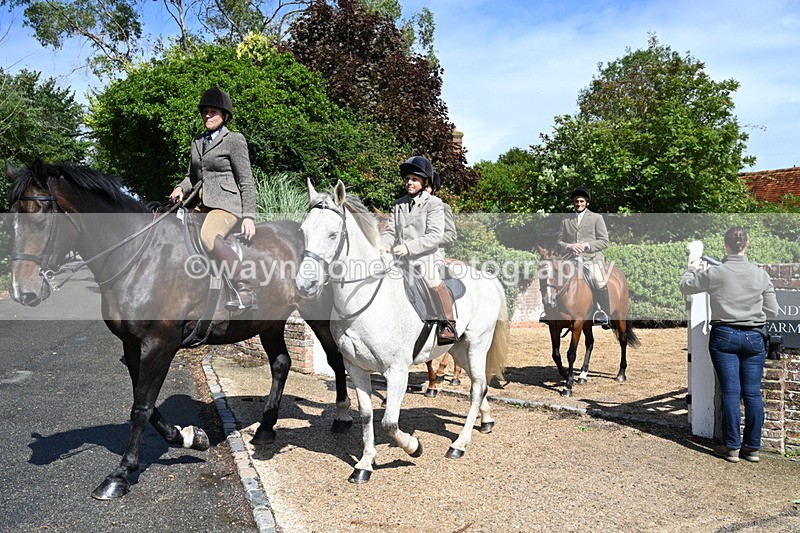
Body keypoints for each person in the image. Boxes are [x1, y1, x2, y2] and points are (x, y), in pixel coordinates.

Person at [680, 226, 779, 463]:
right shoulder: (761, 275)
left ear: (726, 245)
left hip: (724, 335)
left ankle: (731, 446)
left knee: (731, 392)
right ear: (747, 244)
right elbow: (773, 310)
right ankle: (752, 448)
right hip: (754, 337)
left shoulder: (716, 273)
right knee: (753, 393)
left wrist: (692, 268)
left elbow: (686, 286)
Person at [169, 87, 257, 310]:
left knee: (208, 236)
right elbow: (192, 176)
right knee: (170, 230)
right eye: (205, 112)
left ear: (224, 116)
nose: (208, 115)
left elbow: (246, 180)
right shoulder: (197, 141)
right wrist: (180, 188)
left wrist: (249, 216)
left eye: (213, 112)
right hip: (199, 204)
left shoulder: (234, 140)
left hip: (226, 205)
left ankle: (245, 289)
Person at [380, 156, 456, 345]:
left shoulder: (434, 203)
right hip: (400, 257)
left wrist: (408, 247)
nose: (409, 182)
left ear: (425, 182)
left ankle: (447, 324)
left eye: (414, 179)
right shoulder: (398, 204)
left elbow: (435, 235)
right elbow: (390, 231)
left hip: (426, 256)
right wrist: (384, 244)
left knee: (431, 278)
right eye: (407, 179)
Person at [556, 185, 611, 327]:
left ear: (587, 202)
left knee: (599, 279)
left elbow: (605, 241)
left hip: (591, 258)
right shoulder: (566, 220)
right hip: (570, 259)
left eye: (581, 201)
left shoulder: (596, 218)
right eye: (576, 201)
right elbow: (559, 242)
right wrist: (570, 246)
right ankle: (550, 312)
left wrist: (587, 245)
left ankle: (603, 313)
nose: (578, 204)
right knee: (553, 277)